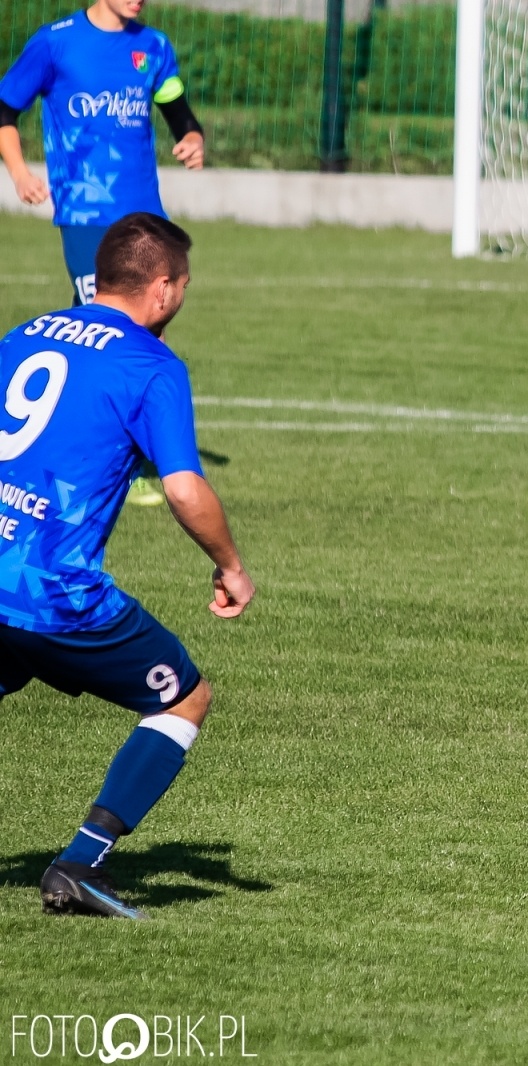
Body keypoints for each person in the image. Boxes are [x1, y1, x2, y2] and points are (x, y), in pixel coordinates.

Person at [0, 212, 254, 919]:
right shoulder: (153, 366)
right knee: (183, 697)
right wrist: (231, 565)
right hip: (56, 593)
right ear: (165, 289)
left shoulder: (21, 336)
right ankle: (81, 863)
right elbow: (181, 487)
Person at [1, 0, 208, 507]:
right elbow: (5, 111)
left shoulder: (153, 47)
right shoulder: (56, 42)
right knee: (106, 326)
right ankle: (103, 457)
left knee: (138, 330)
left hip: (144, 214)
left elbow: (177, 108)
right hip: (85, 212)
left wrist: (193, 136)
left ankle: (116, 453)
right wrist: (20, 172)